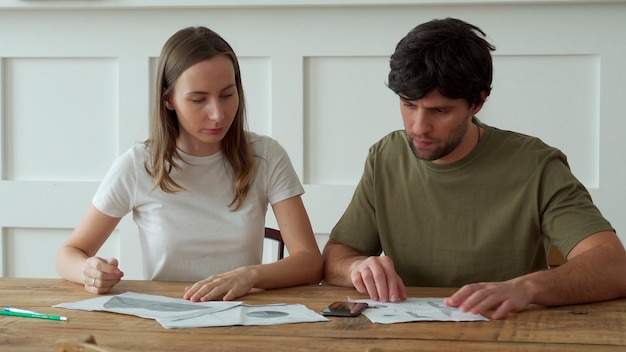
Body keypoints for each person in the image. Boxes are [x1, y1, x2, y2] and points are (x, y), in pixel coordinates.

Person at [322, 18, 626, 319]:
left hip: (507, 335)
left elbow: (613, 265)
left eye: (439, 111)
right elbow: (336, 256)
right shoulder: (385, 156)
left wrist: (528, 287)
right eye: (408, 104)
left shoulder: (537, 165)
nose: (419, 127)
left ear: (478, 103)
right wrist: (356, 268)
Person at [56, 26, 323, 302]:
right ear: (168, 99)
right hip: (166, 318)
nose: (218, 114)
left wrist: (250, 275)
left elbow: (310, 261)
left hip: (243, 316)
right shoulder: (138, 165)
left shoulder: (267, 156)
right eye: (198, 100)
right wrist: (89, 271)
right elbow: (69, 254)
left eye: (228, 95)